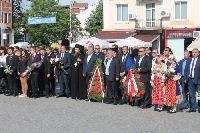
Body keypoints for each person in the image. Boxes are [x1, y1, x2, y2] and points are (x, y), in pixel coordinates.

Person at [184, 48, 200, 113]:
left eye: (196, 52)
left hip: (198, 80)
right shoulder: (189, 59)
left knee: (199, 94)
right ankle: (192, 108)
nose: (194, 53)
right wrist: (185, 78)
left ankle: (199, 108)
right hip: (190, 79)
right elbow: (186, 70)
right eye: (193, 52)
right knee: (191, 94)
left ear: (198, 53)